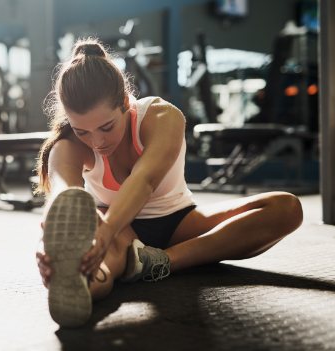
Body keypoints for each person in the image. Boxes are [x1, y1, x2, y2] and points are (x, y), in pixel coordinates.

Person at [35, 38, 303, 328]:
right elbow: (63, 198)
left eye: (106, 126)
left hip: (180, 224)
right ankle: (82, 284)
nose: (96, 141)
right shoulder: (68, 145)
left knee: (286, 208)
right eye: (82, 131)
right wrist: (50, 248)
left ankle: (158, 262)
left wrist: (108, 229)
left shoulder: (163, 116)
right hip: (122, 235)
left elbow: (145, 180)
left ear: (125, 102)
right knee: (89, 265)